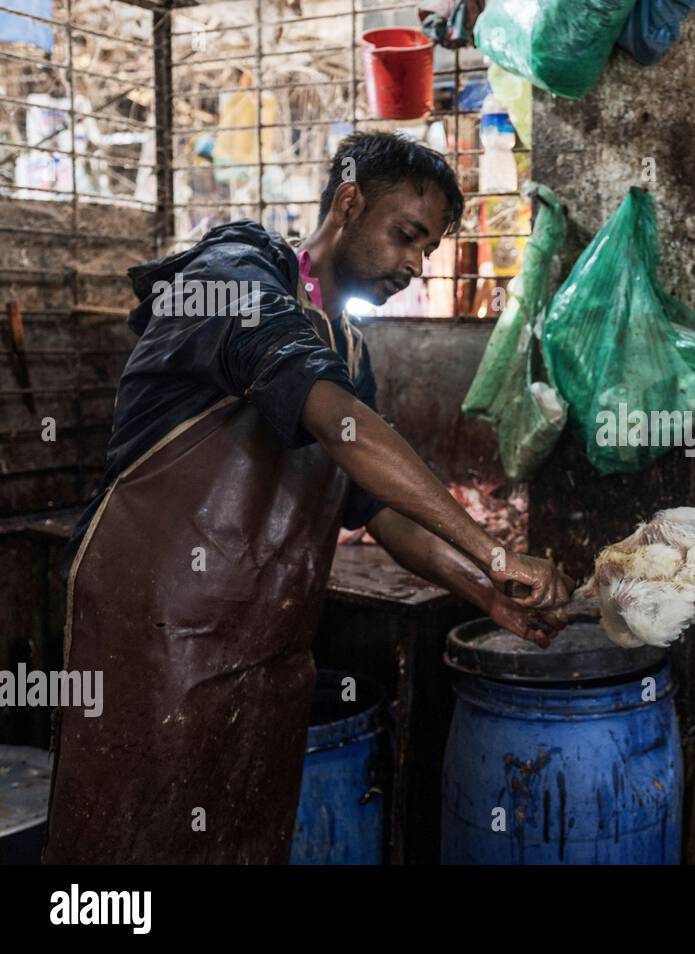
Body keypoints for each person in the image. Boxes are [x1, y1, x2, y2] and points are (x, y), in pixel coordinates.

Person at [44, 132, 570, 864]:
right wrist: (494, 547)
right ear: (349, 201)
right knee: (127, 855)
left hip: (264, 661)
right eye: (406, 236)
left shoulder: (351, 351)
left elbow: (377, 512)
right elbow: (332, 418)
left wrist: (487, 592)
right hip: (155, 642)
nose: (415, 266)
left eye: (428, 251)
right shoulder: (232, 272)